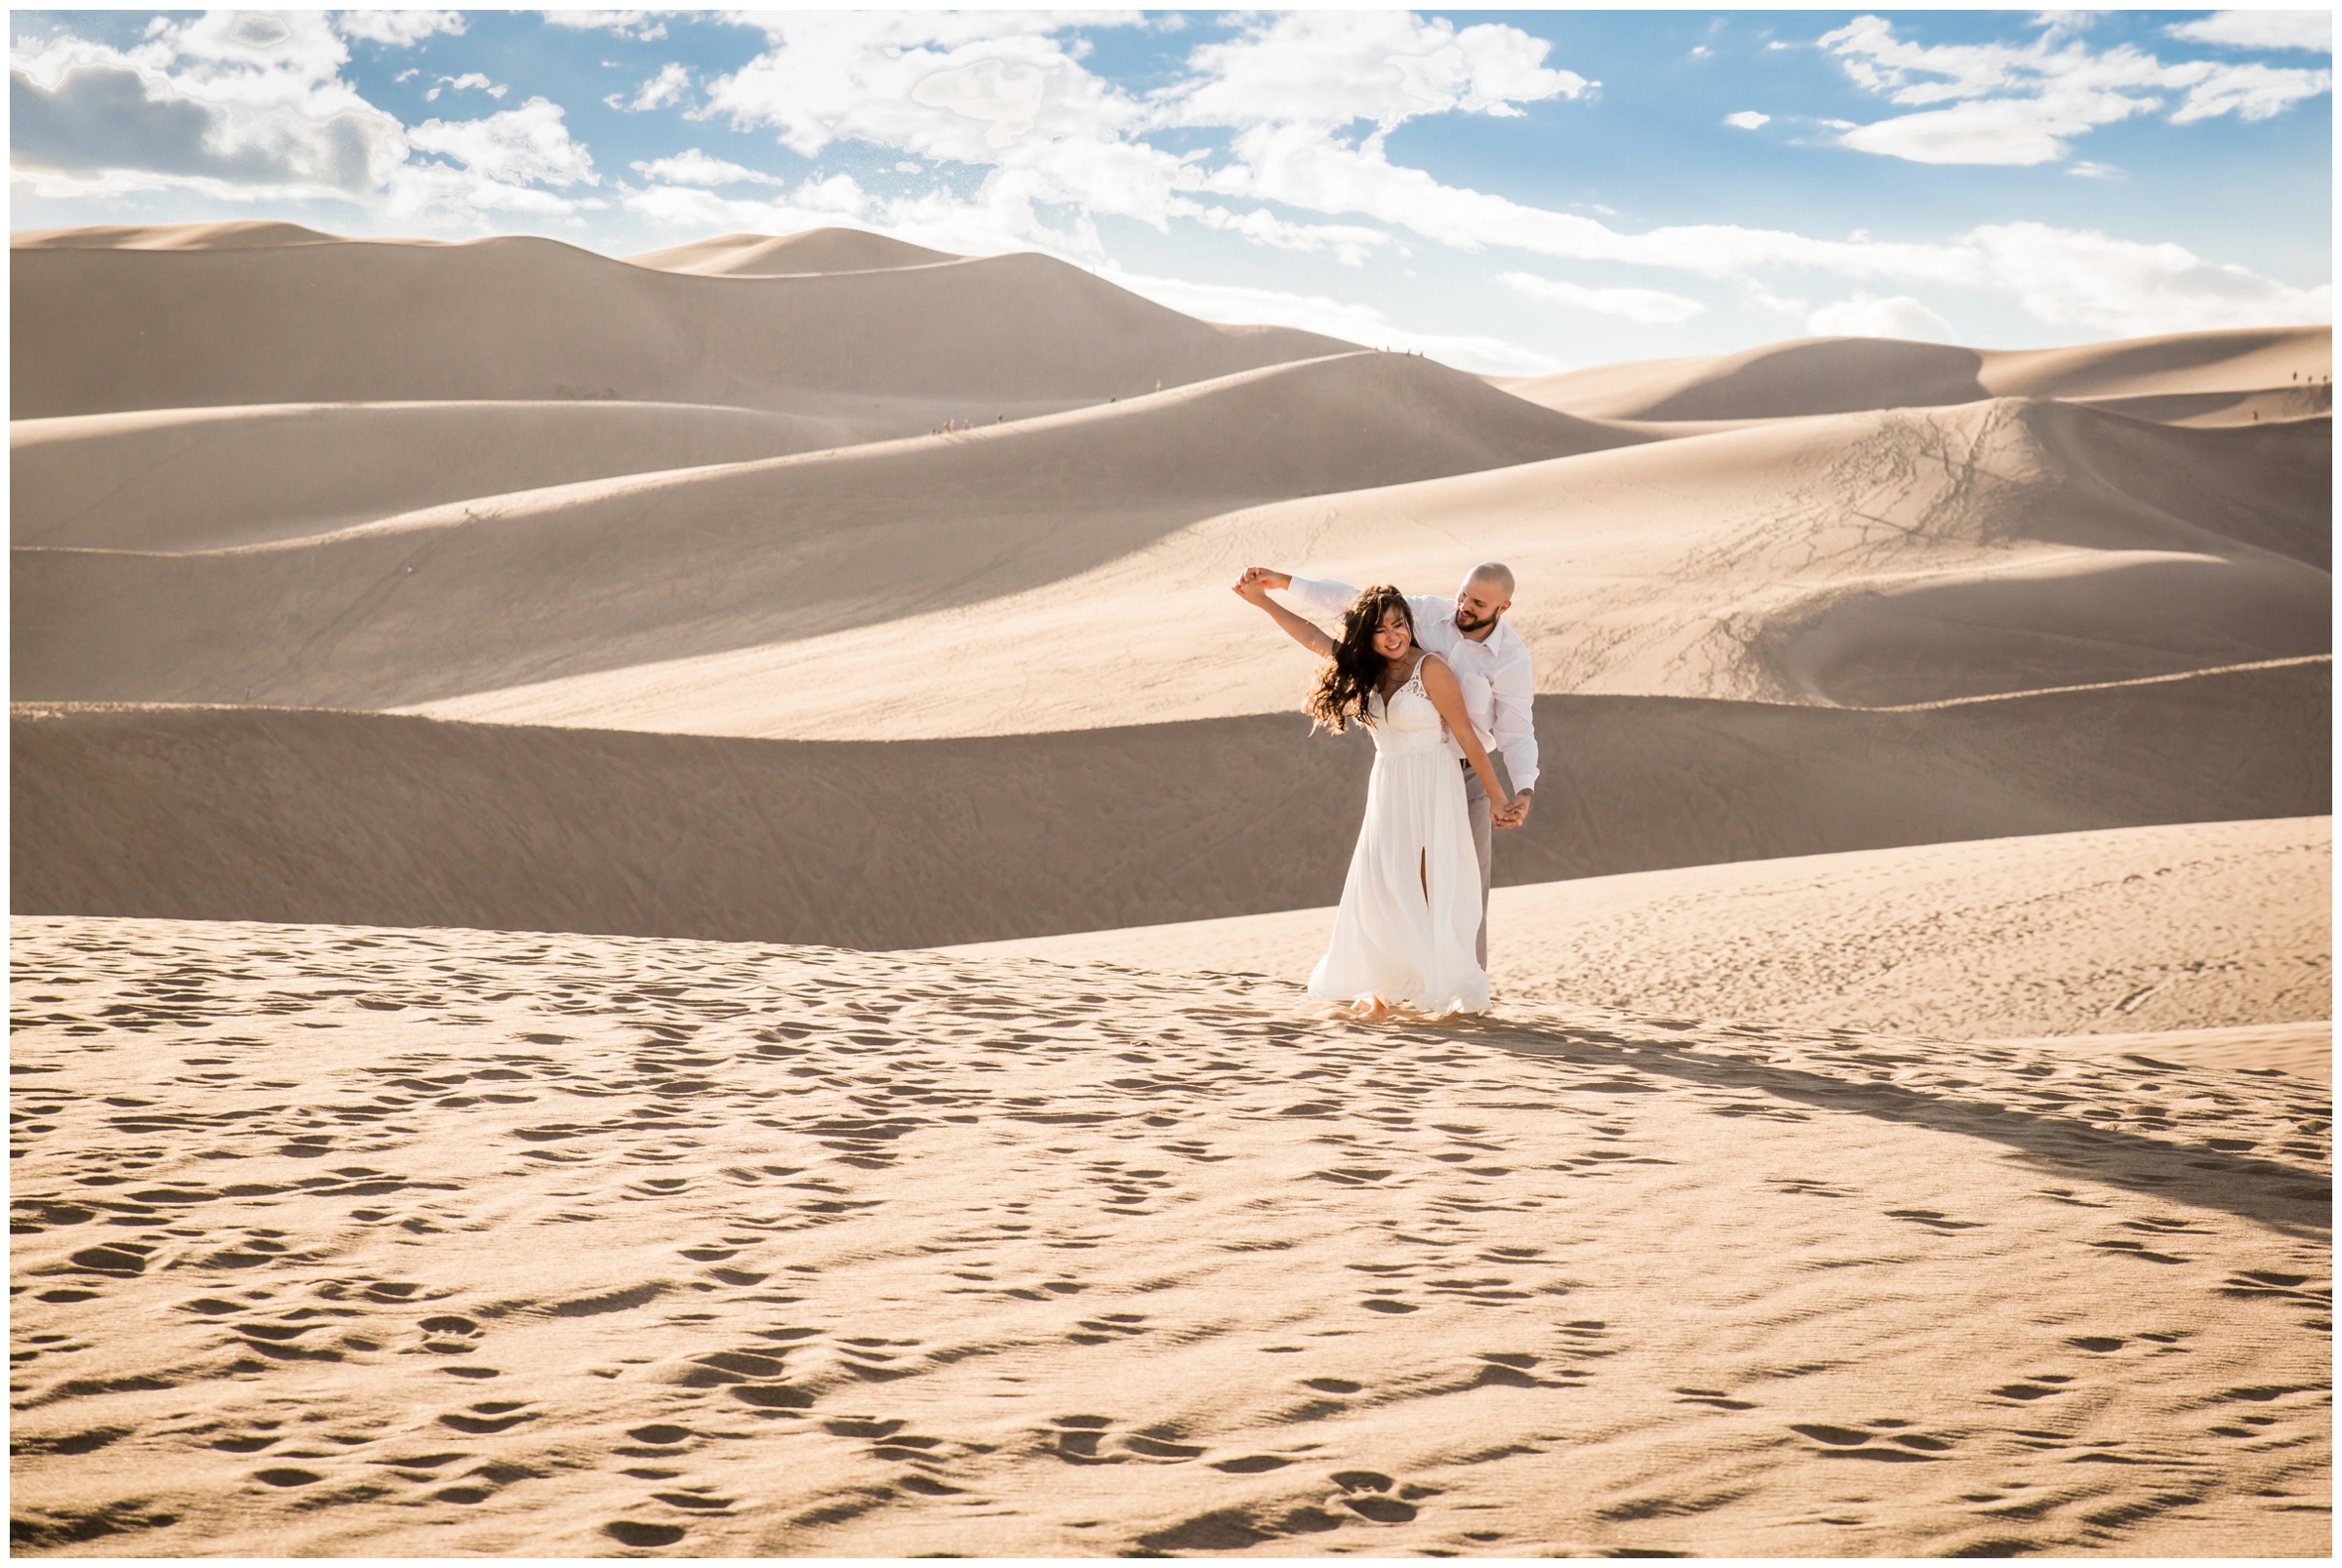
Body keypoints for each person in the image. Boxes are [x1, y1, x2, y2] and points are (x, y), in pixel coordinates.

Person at [1232, 578, 1514, 1021]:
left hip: (1432, 787)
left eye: (1400, 625)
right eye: (1382, 629)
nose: (1394, 636)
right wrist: (1265, 601)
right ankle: (1382, 988)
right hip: (1389, 786)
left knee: (1426, 887)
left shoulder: (1432, 670)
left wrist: (1498, 797)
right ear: (1368, 635)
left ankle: (1440, 987)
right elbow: (1311, 635)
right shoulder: (1365, 668)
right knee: (1382, 883)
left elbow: (1467, 736)